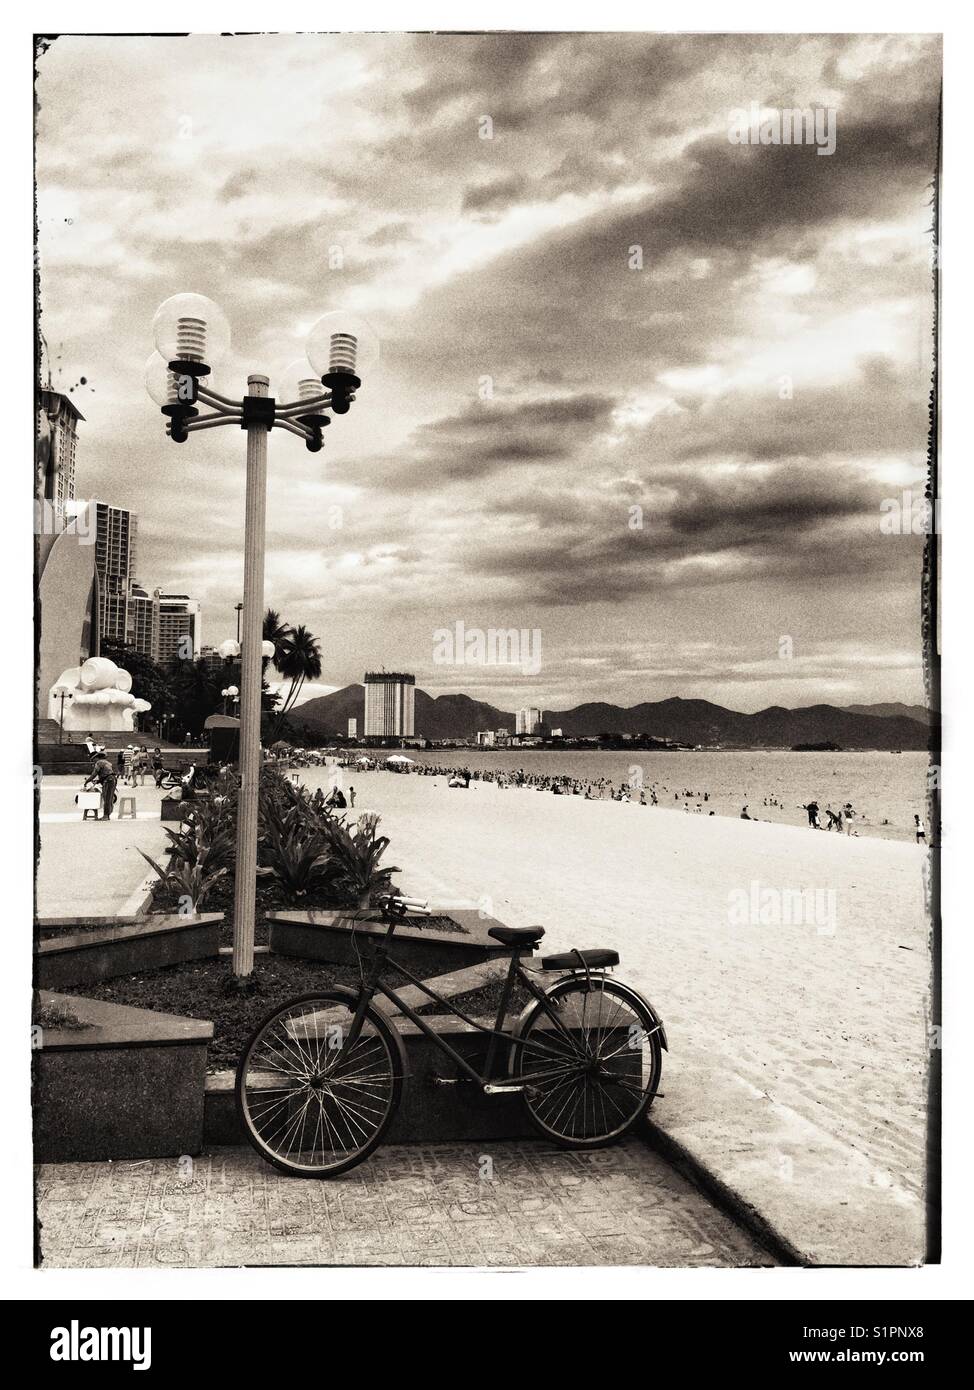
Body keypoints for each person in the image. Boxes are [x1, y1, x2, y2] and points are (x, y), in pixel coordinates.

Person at [92, 754, 117, 821]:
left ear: (97, 758)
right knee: (109, 798)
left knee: (107, 798)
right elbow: (107, 774)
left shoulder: (99, 763)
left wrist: (87, 781)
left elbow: (94, 774)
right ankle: (107, 815)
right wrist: (98, 781)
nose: (93, 761)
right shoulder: (107, 762)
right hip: (112, 779)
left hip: (108, 780)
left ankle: (106, 815)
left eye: (93, 759)